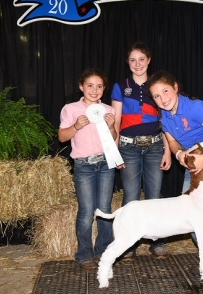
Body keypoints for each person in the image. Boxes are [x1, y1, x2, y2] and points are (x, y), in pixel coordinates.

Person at [147, 70, 203, 294]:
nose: (163, 98)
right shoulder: (164, 116)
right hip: (193, 160)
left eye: (165, 91)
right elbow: (173, 143)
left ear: (175, 87)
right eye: (156, 96)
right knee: (190, 217)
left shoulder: (194, 106)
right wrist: (178, 156)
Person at [111, 41, 172, 261]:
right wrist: (114, 151)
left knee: (154, 196)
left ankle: (158, 242)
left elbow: (164, 120)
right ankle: (128, 244)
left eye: (142, 59)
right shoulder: (120, 86)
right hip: (128, 147)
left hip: (155, 145)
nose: (138, 64)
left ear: (149, 60)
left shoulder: (157, 86)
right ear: (128, 62)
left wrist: (167, 151)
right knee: (131, 196)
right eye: (133, 60)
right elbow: (116, 121)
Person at [58, 68, 117, 270]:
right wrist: (75, 126)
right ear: (81, 87)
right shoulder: (71, 109)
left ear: (104, 89)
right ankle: (84, 254)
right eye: (90, 85)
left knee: (105, 209)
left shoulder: (109, 110)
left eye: (99, 86)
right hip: (83, 166)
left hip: (105, 165)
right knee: (86, 211)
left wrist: (111, 127)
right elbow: (62, 137)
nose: (94, 90)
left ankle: (104, 251)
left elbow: (113, 138)